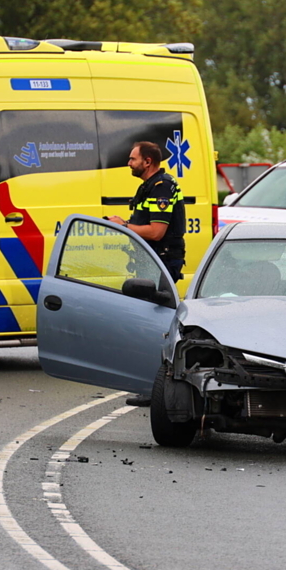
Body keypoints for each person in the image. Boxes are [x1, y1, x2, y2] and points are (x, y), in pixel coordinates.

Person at [107, 141, 186, 408]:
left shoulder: (162, 187)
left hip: (162, 262)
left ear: (147, 161)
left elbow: (156, 232)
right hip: (153, 262)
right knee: (149, 323)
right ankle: (153, 386)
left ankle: (158, 389)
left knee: (154, 327)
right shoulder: (149, 186)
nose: (129, 163)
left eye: (132, 159)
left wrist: (125, 225)